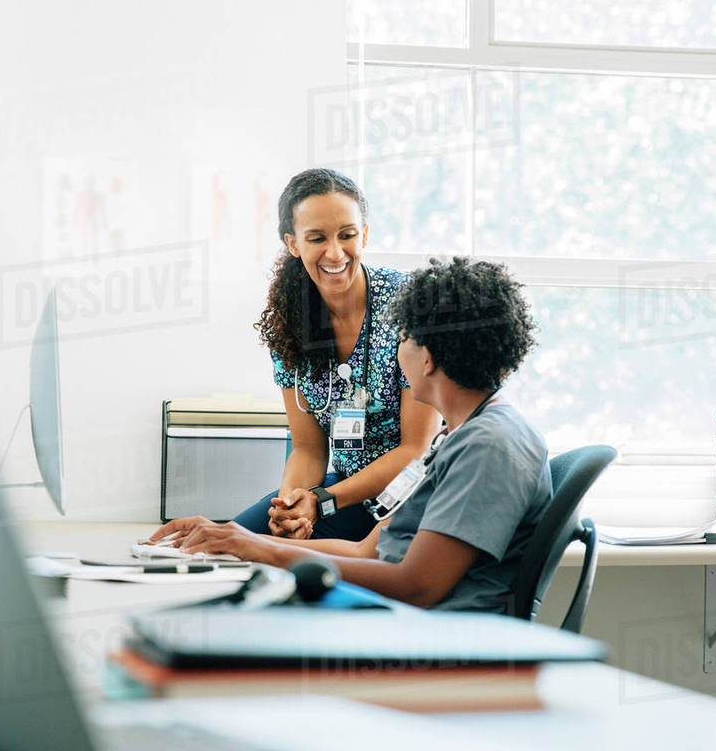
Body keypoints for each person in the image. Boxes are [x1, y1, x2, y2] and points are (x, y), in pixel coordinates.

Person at [149, 257, 551, 613]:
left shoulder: (489, 446)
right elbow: (366, 552)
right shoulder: (458, 437)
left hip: (434, 639)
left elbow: (417, 586)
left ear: (426, 359)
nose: (396, 351)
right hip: (400, 615)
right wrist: (243, 540)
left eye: (403, 338)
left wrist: (262, 549)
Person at [210, 168, 441, 542]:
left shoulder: (408, 306)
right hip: (342, 495)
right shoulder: (290, 321)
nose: (335, 252)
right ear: (293, 243)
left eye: (347, 235)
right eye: (317, 238)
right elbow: (307, 447)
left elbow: (415, 449)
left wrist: (321, 502)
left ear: (364, 234)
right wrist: (291, 509)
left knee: (267, 554)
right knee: (227, 544)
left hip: (412, 497)